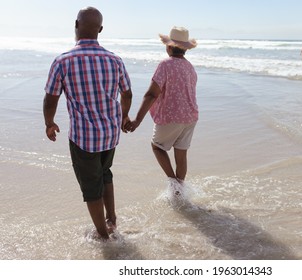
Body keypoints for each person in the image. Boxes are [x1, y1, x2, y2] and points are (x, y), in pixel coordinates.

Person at [43, 7, 133, 240]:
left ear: (76, 25)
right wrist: (124, 116)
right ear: (100, 30)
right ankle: (111, 220)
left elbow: (51, 97)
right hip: (110, 135)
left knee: (91, 187)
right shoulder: (115, 60)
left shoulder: (63, 61)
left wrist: (49, 123)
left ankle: (103, 236)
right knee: (105, 174)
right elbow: (127, 93)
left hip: (84, 138)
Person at [126, 26, 198, 196]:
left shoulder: (165, 65)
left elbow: (151, 94)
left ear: (168, 47)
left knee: (157, 147)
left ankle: (174, 185)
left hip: (171, 116)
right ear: (186, 49)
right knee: (181, 154)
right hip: (191, 116)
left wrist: (137, 120)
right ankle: (179, 192)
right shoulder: (190, 67)